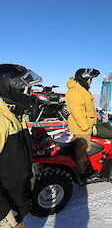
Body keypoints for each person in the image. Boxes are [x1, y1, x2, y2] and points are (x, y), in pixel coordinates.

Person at [0, 64, 42, 228]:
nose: (30, 95)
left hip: (16, 199)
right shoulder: (2, 120)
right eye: (27, 90)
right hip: (6, 208)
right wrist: (2, 211)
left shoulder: (15, 116)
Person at [65, 68, 100, 181]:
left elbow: (86, 109)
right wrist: (85, 127)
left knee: (78, 149)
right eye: (89, 79)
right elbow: (76, 111)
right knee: (83, 150)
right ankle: (82, 174)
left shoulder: (81, 90)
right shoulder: (76, 91)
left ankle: (77, 169)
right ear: (83, 79)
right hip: (81, 127)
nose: (90, 81)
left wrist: (95, 116)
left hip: (82, 125)